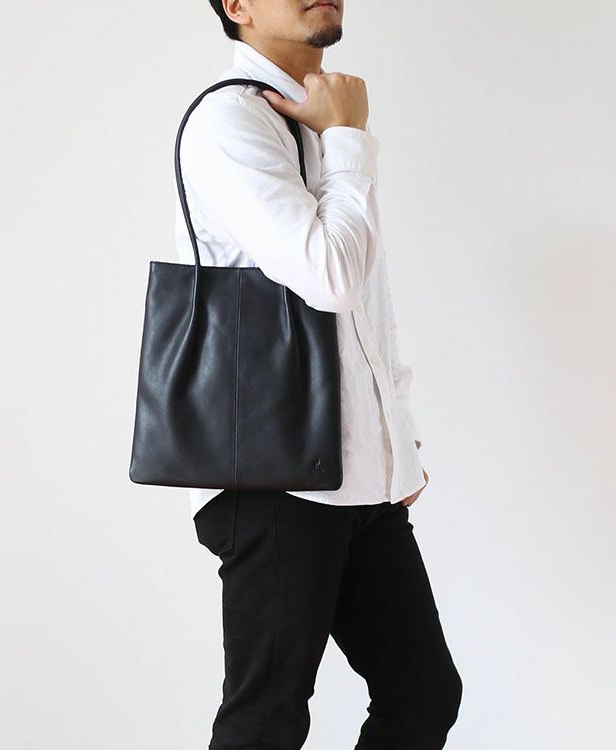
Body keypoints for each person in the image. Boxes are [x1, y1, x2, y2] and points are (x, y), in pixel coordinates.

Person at [174, 2, 463, 748]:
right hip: (276, 480)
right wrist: (346, 140)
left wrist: (395, 437)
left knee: (422, 693)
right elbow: (330, 278)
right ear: (236, 6)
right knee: (266, 719)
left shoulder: (323, 120)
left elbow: (366, 305)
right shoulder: (231, 121)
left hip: (359, 479)